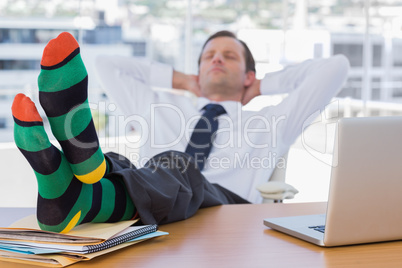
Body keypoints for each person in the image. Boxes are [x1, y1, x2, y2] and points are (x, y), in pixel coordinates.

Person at [12, 31, 349, 233]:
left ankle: (78, 191)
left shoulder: (272, 121)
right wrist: (182, 80)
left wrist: (262, 85)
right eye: (209, 56)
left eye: (229, 57)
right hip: (151, 203)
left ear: (248, 75)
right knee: (124, 164)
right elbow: (107, 66)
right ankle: (72, 195)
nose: (217, 60)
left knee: (177, 167)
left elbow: (336, 68)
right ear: (197, 69)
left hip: (225, 212)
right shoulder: (157, 104)